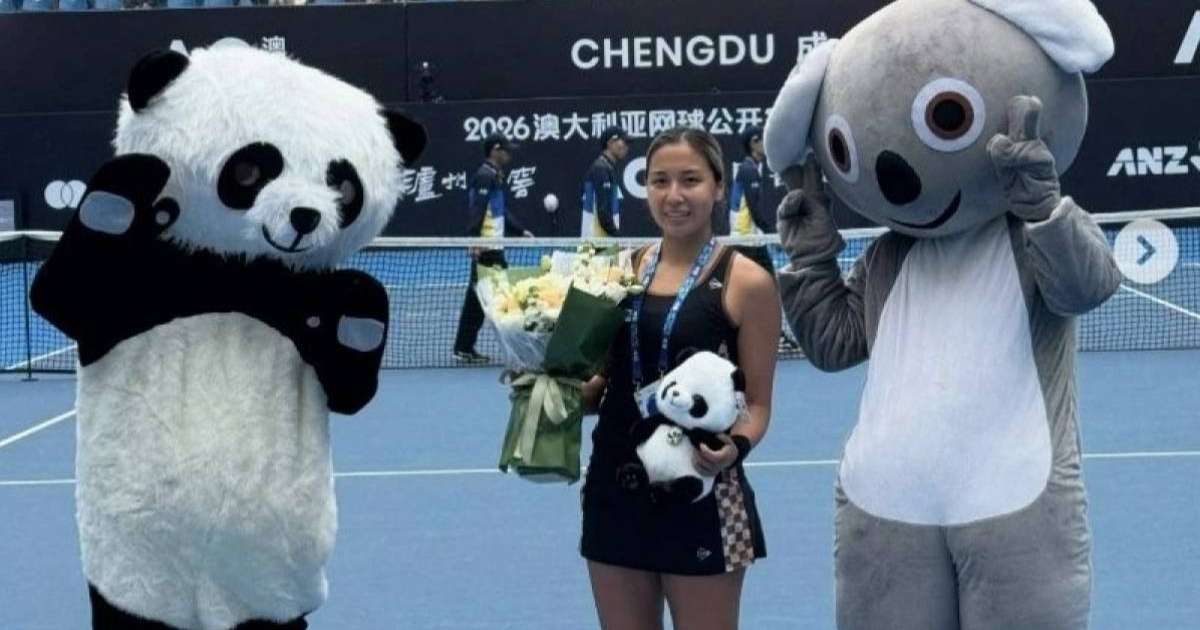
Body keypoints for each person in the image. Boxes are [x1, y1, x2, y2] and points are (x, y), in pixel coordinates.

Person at [579, 127, 780, 630]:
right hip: (615, 490)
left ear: (717, 185)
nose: (674, 195)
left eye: (690, 180)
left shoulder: (747, 282)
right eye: (659, 181)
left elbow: (757, 405)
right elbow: (599, 386)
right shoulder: (619, 272)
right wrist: (549, 388)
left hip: (703, 495)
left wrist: (734, 446)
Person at [452, 132, 533, 363]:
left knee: (477, 299)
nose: (509, 154)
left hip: (494, 246)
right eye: (505, 150)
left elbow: (500, 211)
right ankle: (518, 349)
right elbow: (477, 209)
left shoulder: (493, 175)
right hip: (487, 249)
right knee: (500, 295)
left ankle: (463, 347)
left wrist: (519, 230)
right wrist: (474, 241)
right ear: (495, 151)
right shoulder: (484, 176)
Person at [580, 125, 630, 238]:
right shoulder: (601, 169)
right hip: (597, 244)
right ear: (611, 143)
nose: (627, 147)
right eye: (624, 142)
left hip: (601, 242)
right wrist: (619, 238)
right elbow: (603, 213)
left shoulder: (605, 167)